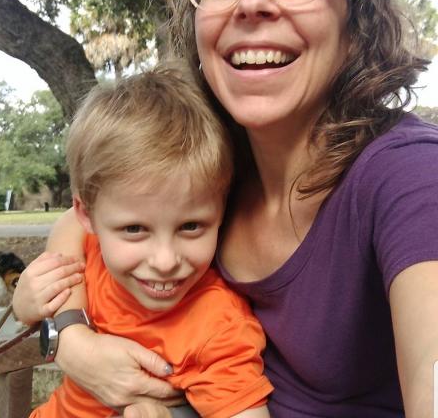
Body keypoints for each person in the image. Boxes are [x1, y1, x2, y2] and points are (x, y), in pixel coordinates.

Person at [14, 0, 438, 416]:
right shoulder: (211, 159)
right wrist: (71, 339)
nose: (252, 1)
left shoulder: (410, 177)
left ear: (357, 24)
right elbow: (84, 221)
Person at [25, 65, 273, 418]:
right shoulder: (88, 256)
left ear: (222, 211)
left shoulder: (217, 329)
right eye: (134, 229)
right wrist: (28, 305)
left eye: (190, 226)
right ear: (88, 215)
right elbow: (30, 305)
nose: (164, 260)